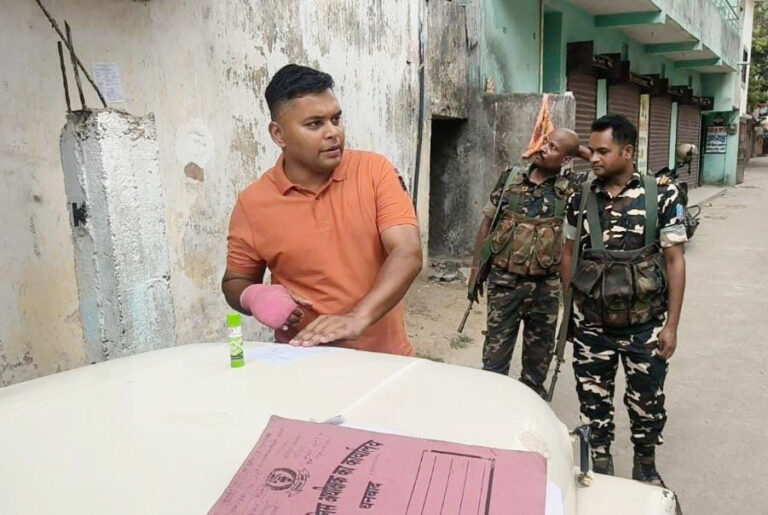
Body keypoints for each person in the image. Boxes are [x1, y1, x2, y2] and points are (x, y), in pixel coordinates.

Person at [222, 64, 422, 355]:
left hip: (383, 361)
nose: (333, 133)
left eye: (336, 119)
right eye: (315, 124)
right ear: (279, 135)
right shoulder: (253, 203)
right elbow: (234, 281)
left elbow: (408, 252)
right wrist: (254, 296)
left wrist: (357, 318)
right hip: (302, 362)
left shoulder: (375, 172)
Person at [561, 114, 687, 486]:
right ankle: (600, 465)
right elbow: (568, 252)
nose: (594, 158)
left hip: (644, 327)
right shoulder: (579, 196)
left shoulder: (661, 194)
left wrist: (672, 326)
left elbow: (674, 260)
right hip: (592, 326)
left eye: (603, 151)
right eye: (592, 150)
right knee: (592, 402)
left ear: (628, 151)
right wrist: (570, 313)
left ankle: (645, 467)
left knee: (647, 404)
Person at [468, 128, 583, 398]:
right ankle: (491, 412)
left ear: (566, 160)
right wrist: (476, 271)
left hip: (546, 289)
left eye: (553, 147)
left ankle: (530, 414)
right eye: (545, 142)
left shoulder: (572, 191)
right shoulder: (511, 179)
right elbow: (487, 223)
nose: (543, 149)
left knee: (537, 363)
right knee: (494, 360)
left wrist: (578, 149)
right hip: (504, 284)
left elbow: (613, 171)